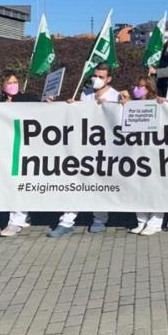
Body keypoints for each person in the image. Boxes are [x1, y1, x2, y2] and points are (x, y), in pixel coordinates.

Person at [48, 64, 120, 238]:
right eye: (95, 75)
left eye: (101, 76)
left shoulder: (115, 95)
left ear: (108, 79)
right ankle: (67, 221)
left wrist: (109, 106)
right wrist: (72, 105)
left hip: (104, 147)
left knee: (100, 183)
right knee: (75, 181)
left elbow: (118, 117)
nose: (97, 79)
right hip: (83, 144)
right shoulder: (85, 93)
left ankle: (100, 219)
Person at [0, 71, 41, 237]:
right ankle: (21, 216)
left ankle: (15, 222)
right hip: (5, 149)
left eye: (15, 82)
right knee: (13, 184)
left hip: (25, 148)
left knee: (18, 183)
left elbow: (43, 108)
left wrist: (50, 103)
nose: (13, 85)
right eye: (9, 82)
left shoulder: (27, 97)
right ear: (2, 86)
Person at [129, 76, 165, 236]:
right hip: (136, 153)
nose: (138, 89)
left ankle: (155, 222)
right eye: (136, 85)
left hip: (155, 153)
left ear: (150, 89)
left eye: (142, 86)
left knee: (156, 188)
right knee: (137, 188)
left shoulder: (158, 104)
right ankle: (141, 221)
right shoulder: (131, 104)